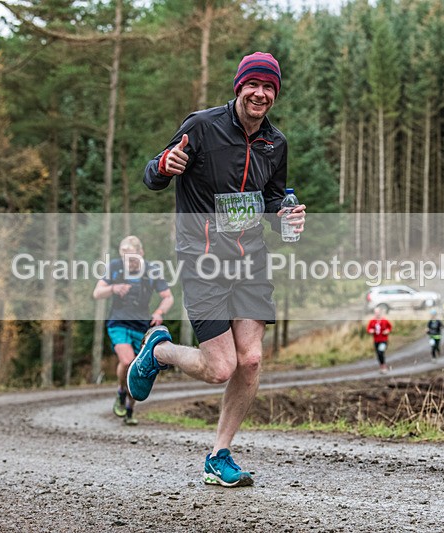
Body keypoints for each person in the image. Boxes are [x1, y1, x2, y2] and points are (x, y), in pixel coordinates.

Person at [130, 51, 306, 488]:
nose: (260, 94)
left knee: (251, 359)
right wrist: (163, 167)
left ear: (275, 94)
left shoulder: (275, 143)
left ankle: (219, 454)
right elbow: (153, 173)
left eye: (269, 88)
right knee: (221, 367)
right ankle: (159, 351)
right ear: (239, 87)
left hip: (251, 262)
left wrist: (284, 214)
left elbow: (270, 198)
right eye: (253, 85)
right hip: (203, 260)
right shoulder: (202, 126)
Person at [92, 236, 174, 426]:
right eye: (125, 257)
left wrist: (159, 312)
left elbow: (168, 297)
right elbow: (97, 293)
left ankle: (130, 409)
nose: (129, 262)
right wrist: (113, 288)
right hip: (118, 322)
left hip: (142, 325)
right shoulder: (115, 267)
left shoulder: (152, 271)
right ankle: (121, 391)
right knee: (127, 361)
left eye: (132, 257)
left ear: (141, 253)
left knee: (138, 367)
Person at [367, 307, 392, 373]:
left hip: (384, 340)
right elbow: (368, 329)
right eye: (376, 313)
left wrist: (387, 331)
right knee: (378, 354)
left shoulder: (385, 321)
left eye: (378, 312)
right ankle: (382, 366)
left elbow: (390, 327)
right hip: (376, 340)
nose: (377, 314)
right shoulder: (372, 321)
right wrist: (371, 331)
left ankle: (384, 367)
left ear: (380, 313)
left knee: (380, 352)